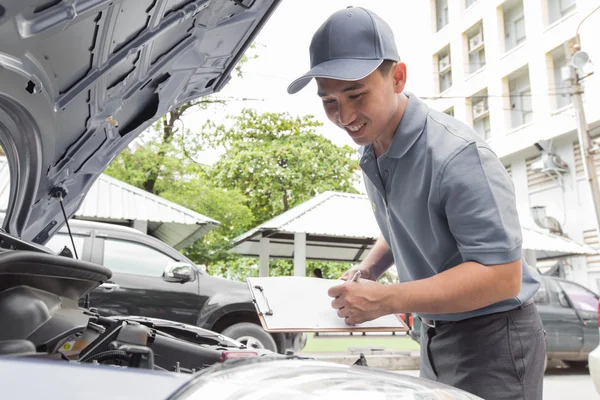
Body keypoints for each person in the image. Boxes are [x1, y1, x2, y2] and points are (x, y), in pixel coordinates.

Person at [287, 6, 546, 400]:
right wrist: (369, 271)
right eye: (329, 101)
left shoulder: (459, 156)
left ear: (398, 78)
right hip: (434, 334)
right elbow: (406, 222)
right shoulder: (374, 148)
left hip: (495, 341)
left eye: (357, 95)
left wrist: (386, 299)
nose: (345, 116)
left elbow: (502, 276)